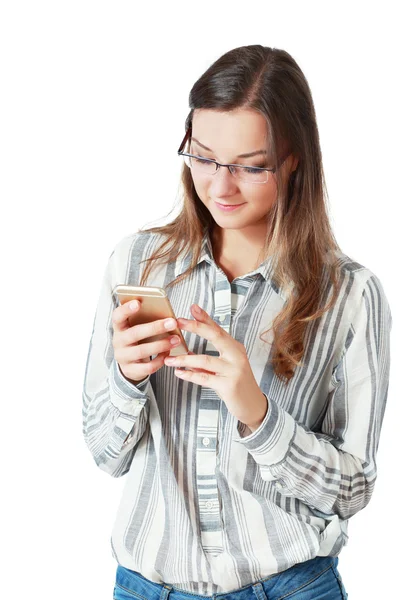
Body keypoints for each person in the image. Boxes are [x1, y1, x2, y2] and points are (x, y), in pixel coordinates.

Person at [82, 45, 392, 600]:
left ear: (294, 159)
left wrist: (258, 412)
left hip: (291, 587)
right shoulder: (137, 264)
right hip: (147, 588)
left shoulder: (351, 295)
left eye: (251, 167)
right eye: (202, 157)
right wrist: (127, 382)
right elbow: (106, 454)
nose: (220, 186)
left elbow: (352, 488)